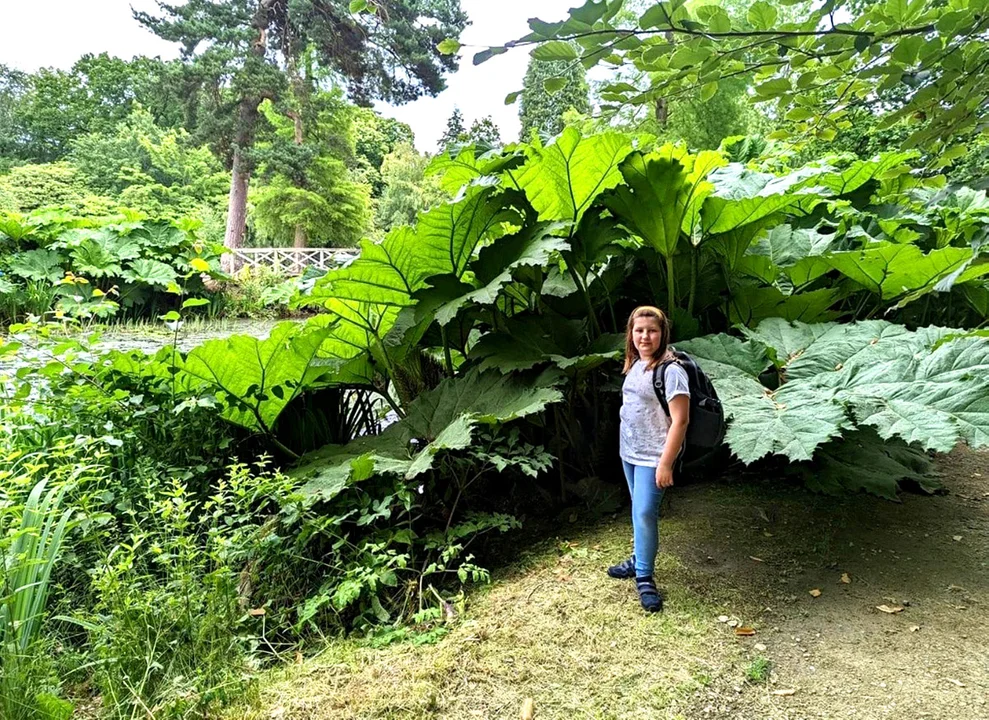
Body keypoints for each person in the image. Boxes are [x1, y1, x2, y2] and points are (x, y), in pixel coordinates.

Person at [607, 305, 690, 612]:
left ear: (662, 334)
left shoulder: (671, 371)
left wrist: (666, 463)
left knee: (644, 513)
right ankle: (638, 558)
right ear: (631, 334)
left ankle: (644, 577)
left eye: (652, 331)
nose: (645, 336)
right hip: (629, 450)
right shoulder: (635, 364)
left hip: (653, 455)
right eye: (639, 330)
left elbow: (681, 420)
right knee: (637, 509)